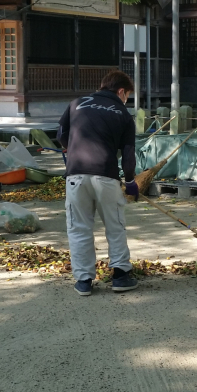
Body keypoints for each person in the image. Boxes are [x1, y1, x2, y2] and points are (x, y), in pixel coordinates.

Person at [57, 70, 140, 296]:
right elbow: (129, 154)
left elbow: (61, 133)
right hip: (107, 175)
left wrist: (70, 147)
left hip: (75, 175)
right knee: (115, 226)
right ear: (121, 91)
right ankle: (121, 276)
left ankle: (84, 280)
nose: (126, 99)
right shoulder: (123, 113)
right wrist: (131, 181)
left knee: (79, 227)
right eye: (127, 95)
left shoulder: (77, 103)